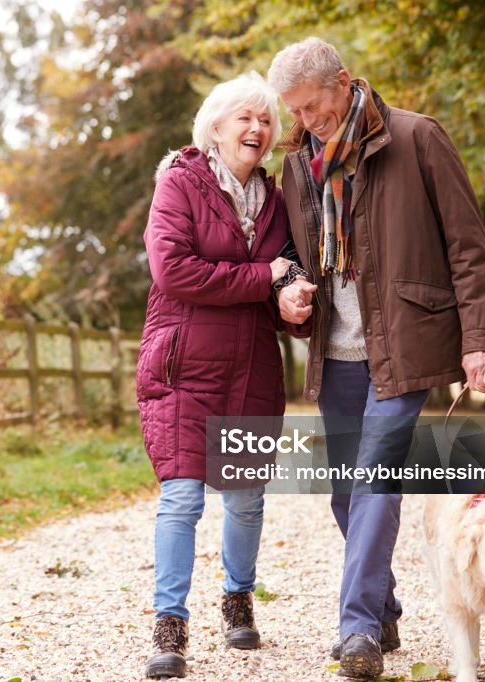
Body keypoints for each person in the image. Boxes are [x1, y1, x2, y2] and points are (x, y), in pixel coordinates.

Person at [266, 37, 485, 679]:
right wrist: (286, 284)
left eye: (314, 107)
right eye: (297, 112)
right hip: (334, 349)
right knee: (345, 494)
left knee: (375, 477)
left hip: (403, 342)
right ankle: (383, 603)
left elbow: (468, 248)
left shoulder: (418, 138)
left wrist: (479, 340)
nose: (307, 122)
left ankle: (358, 631)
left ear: (343, 82)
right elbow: (288, 247)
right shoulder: (299, 162)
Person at [136, 71, 313, 679]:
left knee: (244, 498)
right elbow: (175, 271)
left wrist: (290, 303)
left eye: (265, 121)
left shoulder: (277, 201)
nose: (258, 129)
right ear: (215, 125)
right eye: (245, 117)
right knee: (182, 497)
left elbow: (285, 274)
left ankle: (238, 603)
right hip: (185, 365)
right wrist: (264, 279)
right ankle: (170, 624)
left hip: (252, 368)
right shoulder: (179, 185)